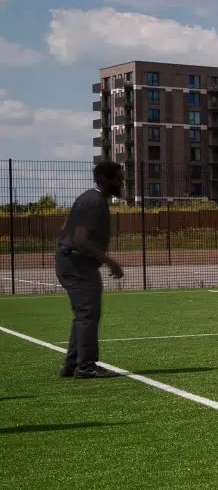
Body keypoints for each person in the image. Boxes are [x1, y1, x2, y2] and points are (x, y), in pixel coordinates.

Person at [55, 160, 125, 379]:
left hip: (73, 261)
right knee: (87, 313)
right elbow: (80, 239)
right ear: (104, 179)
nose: (121, 182)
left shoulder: (89, 199)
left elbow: (67, 228)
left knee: (84, 314)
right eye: (118, 178)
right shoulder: (94, 202)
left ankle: (72, 364)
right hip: (77, 263)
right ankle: (86, 366)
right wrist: (110, 261)